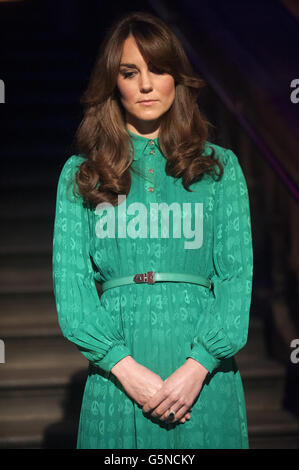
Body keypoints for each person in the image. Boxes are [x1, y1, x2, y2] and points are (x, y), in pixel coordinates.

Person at [52, 10, 253, 449]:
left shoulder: (219, 168)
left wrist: (197, 367)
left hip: (203, 378)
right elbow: (73, 289)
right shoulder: (81, 175)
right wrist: (126, 369)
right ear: (114, 83)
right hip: (118, 379)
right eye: (130, 72)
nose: (145, 85)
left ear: (176, 78)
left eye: (158, 69)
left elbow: (236, 280)